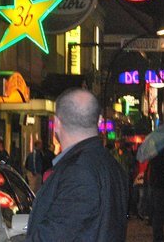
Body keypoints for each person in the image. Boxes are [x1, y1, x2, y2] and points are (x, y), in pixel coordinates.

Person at [25, 88, 129, 241]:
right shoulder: (111, 165)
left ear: (57, 123)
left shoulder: (78, 171)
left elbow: (52, 236)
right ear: (98, 121)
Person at [146, 147, 164, 242]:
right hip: (159, 187)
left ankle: (158, 236)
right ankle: (158, 237)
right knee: (159, 214)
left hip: (155, 187)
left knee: (157, 214)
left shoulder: (154, 158)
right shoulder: (160, 158)